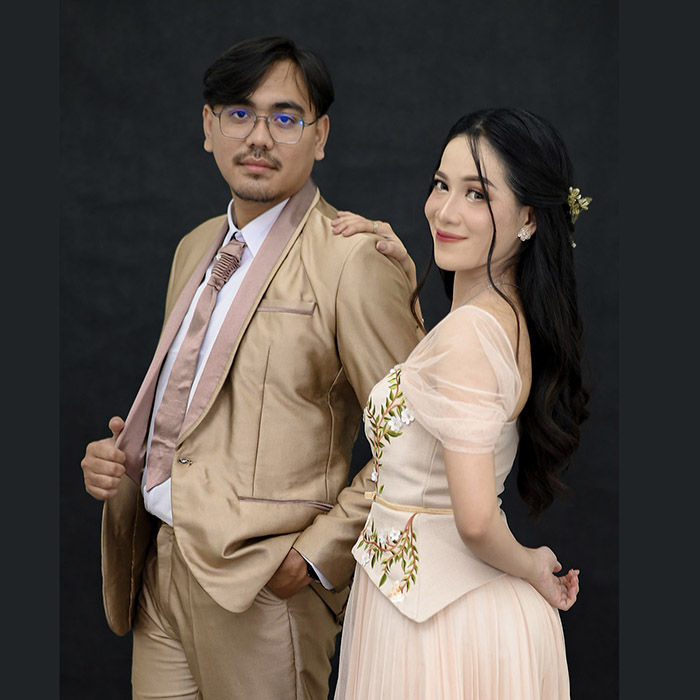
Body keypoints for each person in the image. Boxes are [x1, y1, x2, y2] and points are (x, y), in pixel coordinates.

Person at [80, 35, 422, 700]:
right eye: (239, 113)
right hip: (159, 566)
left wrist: (314, 557)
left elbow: (417, 436)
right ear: (209, 127)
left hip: (264, 590)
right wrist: (124, 463)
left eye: (285, 117)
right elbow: (198, 413)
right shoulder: (193, 249)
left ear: (320, 136)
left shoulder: (352, 260)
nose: (259, 136)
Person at [329, 107, 590, 699]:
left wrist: (532, 564)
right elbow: (434, 402)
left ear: (529, 218)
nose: (444, 211)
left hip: (443, 627)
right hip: (429, 609)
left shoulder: (472, 333)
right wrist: (403, 282)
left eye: (476, 194)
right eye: (441, 185)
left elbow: (474, 521)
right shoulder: (497, 319)